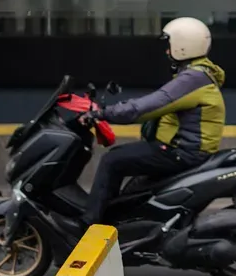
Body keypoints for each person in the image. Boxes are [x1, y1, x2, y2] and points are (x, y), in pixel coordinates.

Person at [79, 17, 226, 226]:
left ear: (183, 46)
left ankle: (89, 224)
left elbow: (146, 107)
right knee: (134, 183)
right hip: (183, 149)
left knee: (112, 161)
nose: (167, 52)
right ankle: (123, 224)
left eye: (170, 45)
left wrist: (101, 114)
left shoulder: (192, 79)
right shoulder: (197, 75)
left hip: (182, 152)